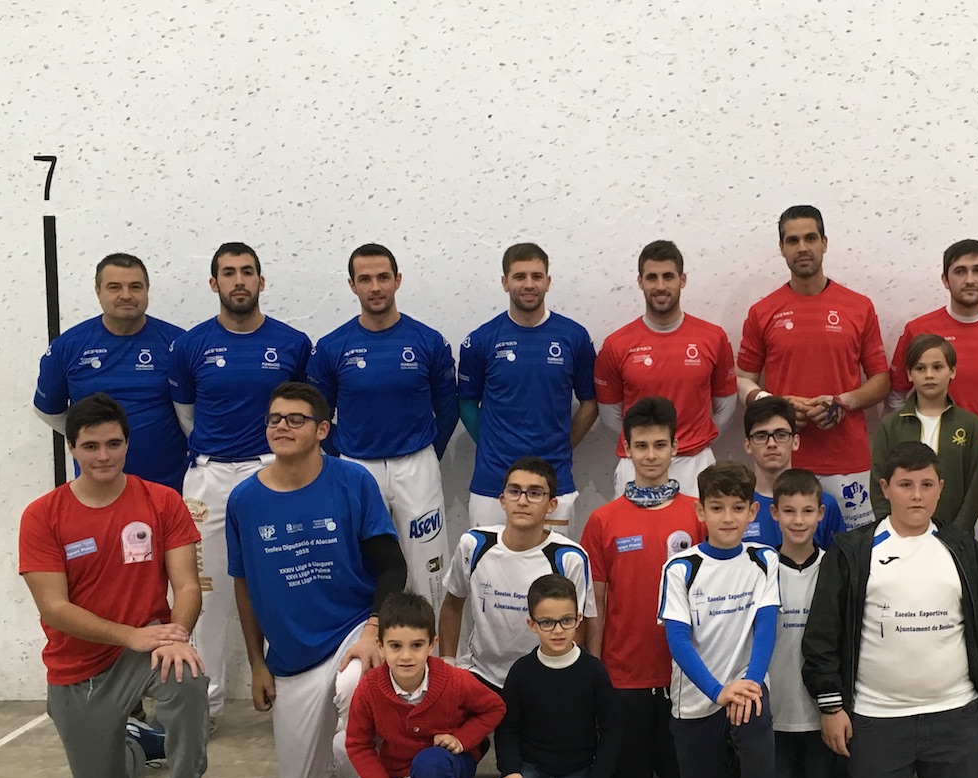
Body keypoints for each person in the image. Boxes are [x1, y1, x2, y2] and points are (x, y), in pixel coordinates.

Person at [17, 393, 212, 778]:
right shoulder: (42, 516)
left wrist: (176, 635)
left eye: (113, 444)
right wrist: (130, 634)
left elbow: (187, 585)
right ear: (72, 448)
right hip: (79, 668)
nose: (103, 456)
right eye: (90, 446)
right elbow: (54, 608)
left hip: (148, 649)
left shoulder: (162, 501)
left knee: (186, 674)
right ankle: (137, 741)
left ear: (127, 444)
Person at [802, 441, 978, 778]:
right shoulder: (852, 551)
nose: (916, 495)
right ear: (885, 488)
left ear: (940, 488)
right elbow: (822, 637)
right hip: (878, 715)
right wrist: (831, 706)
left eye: (926, 485)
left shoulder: (964, 550)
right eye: (905, 485)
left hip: (954, 712)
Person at [224, 383, 406, 778]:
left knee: (358, 679)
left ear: (322, 430)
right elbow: (243, 585)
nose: (281, 427)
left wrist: (374, 632)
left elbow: (393, 566)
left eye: (295, 419)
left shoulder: (353, 481)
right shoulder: (244, 500)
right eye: (274, 419)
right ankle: (356, 755)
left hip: (352, 630)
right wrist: (256, 663)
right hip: (292, 656)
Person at [169, 243, 312, 720]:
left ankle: (287, 698)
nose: (239, 281)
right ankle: (205, 706)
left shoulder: (292, 343)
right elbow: (187, 414)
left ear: (261, 281)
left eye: (247, 272)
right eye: (228, 273)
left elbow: (301, 411)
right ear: (214, 283)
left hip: (271, 472)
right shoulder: (190, 346)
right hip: (207, 479)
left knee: (283, 583)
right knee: (204, 591)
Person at [311, 243, 457, 606]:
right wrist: (343, 458)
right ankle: (368, 640)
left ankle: (431, 642)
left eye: (383, 277)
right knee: (363, 565)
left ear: (397, 280)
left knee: (428, 567)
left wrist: (426, 453)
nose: (375, 287)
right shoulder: (331, 347)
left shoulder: (428, 341)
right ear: (352, 285)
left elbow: (448, 408)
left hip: (417, 466)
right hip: (357, 468)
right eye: (365, 279)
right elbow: (318, 416)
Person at [736, 205, 890, 530]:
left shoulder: (859, 307)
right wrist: (775, 405)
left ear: (824, 242)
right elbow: (742, 380)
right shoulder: (762, 312)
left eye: (810, 238)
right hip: (783, 463)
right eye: (793, 241)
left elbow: (881, 380)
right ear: (782, 248)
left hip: (847, 463)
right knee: (785, 553)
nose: (802, 247)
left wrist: (843, 402)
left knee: (852, 553)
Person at [659, 461, 781, 778]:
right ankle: (726, 767)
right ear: (700, 511)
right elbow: (677, 640)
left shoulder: (764, 559)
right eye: (717, 507)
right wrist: (718, 692)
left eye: (737, 507)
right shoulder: (681, 568)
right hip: (698, 697)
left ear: (752, 511)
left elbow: (766, 627)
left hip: (745, 685)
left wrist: (751, 684)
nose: (728, 518)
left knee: (755, 713)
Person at [345, 591, 507, 778]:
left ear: (432, 644)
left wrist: (462, 739)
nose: (406, 656)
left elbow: (495, 707)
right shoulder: (369, 690)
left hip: (446, 765)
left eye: (416, 645)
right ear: (380, 646)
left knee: (429, 762)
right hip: (400, 775)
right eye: (395, 646)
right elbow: (358, 744)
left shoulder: (455, 680)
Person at [580, 397, 701, 778]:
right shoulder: (603, 520)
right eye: (642, 446)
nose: (651, 455)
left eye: (660, 445)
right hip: (624, 673)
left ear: (675, 447)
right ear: (627, 448)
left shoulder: (698, 514)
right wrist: (594, 668)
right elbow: (594, 602)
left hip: (684, 671)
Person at [457, 242, 598, 534]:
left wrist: (563, 444)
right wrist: (494, 444)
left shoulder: (574, 337)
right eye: (519, 276)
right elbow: (466, 403)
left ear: (548, 281)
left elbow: (591, 402)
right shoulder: (481, 340)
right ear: (504, 282)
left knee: (554, 566)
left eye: (537, 276)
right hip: (492, 485)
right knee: (488, 564)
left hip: (554, 483)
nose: (529, 284)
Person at [491, 575, 622, 778]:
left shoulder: (593, 672)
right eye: (547, 622)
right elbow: (508, 728)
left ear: (578, 619)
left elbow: (612, 730)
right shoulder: (522, 672)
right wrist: (510, 770)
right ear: (532, 624)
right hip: (533, 767)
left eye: (566, 620)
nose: (558, 630)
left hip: (577, 770)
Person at [438, 457, 596, 692]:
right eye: (514, 491)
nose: (522, 501)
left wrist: (563, 677)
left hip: (543, 679)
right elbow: (452, 605)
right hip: (480, 674)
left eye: (534, 493)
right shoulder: (474, 544)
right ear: (502, 500)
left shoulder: (570, 557)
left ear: (551, 504)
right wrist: (447, 664)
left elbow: (579, 627)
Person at [34, 253, 187, 492]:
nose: (126, 295)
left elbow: (195, 411)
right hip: (96, 491)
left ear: (147, 290)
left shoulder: (179, 344)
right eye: (114, 287)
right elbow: (48, 410)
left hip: (169, 487)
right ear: (98, 291)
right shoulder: (67, 347)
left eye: (135, 286)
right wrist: (91, 438)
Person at [594, 239, 739, 488]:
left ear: (682, 280)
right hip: (637, 466)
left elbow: (726, 407)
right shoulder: (616, 345)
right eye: (652, 278)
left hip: (696, 463)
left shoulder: (713, 338)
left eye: (668, 277)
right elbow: (610, 417)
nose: (660, 286)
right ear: (640, 282)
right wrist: (644, 449)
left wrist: (696, 443)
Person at [764, 469, 845, 778]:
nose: (798, 521)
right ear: (774, 513)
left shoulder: (835, 568)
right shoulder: (761, 570)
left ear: (821, 513)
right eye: (789, 511)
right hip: (775, 714)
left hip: (819, 714)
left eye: (807, 511)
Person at [887, 240, 978, 422]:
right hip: (933, 440)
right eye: (960, 271)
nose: (970, 280)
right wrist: (910, 435)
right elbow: (897, 395)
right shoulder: (918, 331)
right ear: (945, 280)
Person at [870, 334, 978, 535]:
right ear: (909, 374)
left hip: (954, 534)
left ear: (952, 371)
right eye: (920, 368)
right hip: (899, 534)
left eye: (937, 367)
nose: (929, 375)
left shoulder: (970, 425)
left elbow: (975, 487)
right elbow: (878, 481)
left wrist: (957, 533)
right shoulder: (892, 425)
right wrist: (891, 529)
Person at [739, 396, 846, 549]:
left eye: (781, 435)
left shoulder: (824, 504)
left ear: (795, 441)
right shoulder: (736, 506)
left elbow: (837, 562)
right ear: (747, 445)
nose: (771, 444)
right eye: (761, 436)